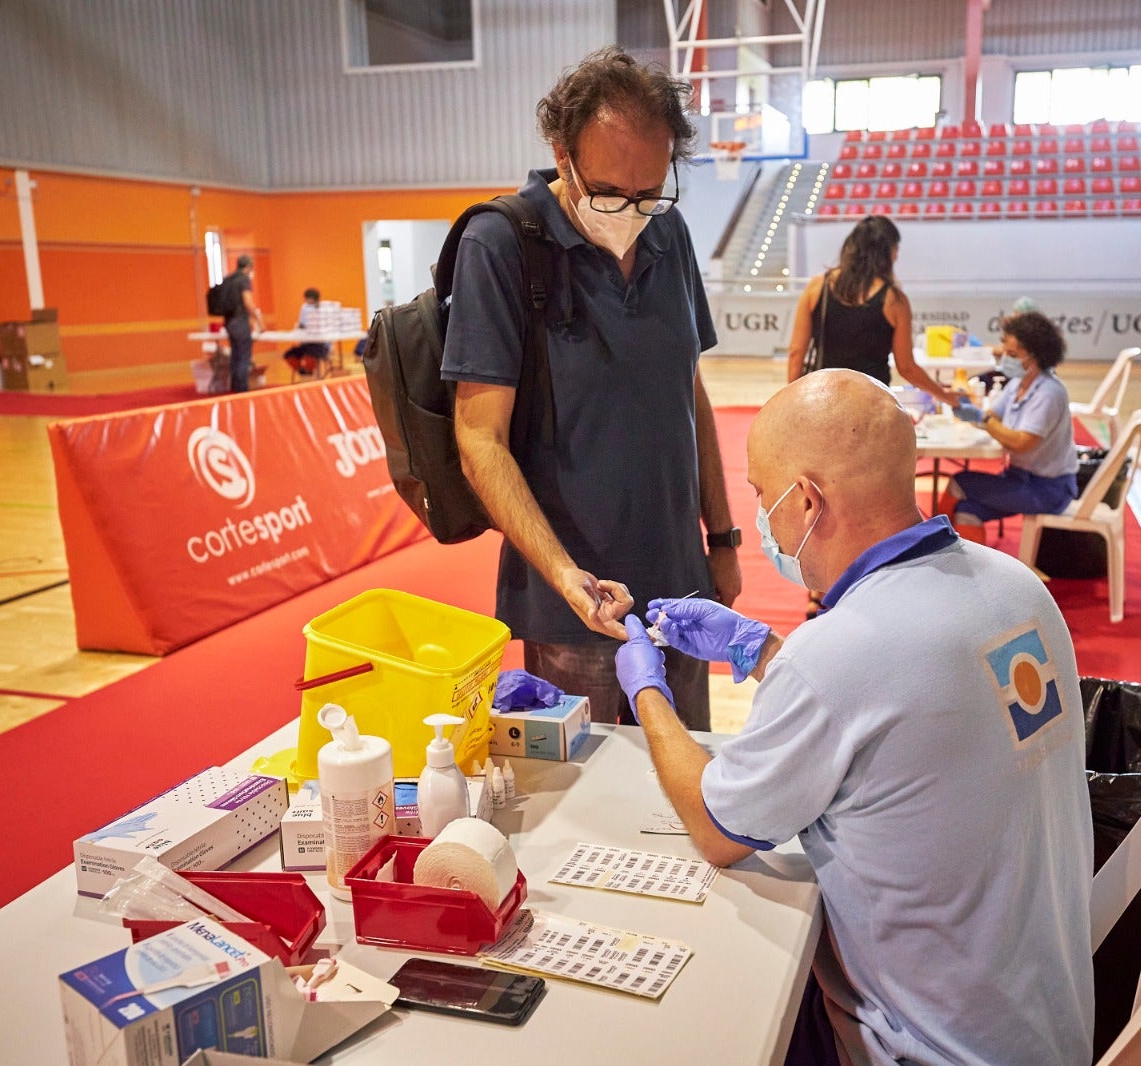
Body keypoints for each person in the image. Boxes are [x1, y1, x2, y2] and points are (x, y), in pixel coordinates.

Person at [614, 369, 1094, 1066]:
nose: (761, 522)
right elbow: (907, 713)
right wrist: (761, 649)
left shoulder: (836, 656)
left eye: (760, 497)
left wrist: (648, 693)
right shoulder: (1014, 588)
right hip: (1043, 1025)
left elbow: (717, 829)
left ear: (805, 501)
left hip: (921, 1047)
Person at [442, 48, 740, 730]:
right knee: (591, 809)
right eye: (609, 193)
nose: (631, 212)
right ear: (562, 152)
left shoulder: (669, 231)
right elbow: (479, 439)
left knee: (683, 796)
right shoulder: (501, 245)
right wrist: (563, 575)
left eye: (650, 192)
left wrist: (720, 538)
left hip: (682, 593)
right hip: (579, 607)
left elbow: (687, 393)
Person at [785, 215, 959, 406]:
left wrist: (794, 402)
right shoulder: (894, 300)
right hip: (872, 402)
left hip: (823, 398)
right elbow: (907, 367)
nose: (897, 256)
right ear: (887, 252)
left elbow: (796, 352)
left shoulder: (817, 286)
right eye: (896, 249)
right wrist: (944, 395)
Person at [937, 310, 1077, 544]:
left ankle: (931, 547)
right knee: (967, 509)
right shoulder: (1018, 384)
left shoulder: (1049, 393)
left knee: (959, 482)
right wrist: (964, 406)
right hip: (1020, 478)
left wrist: (982, 419)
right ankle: (965, 571)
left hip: (1048, 489)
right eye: (1005, 352)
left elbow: (1021, 443)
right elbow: (993, 416)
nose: (1006, 360)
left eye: (1012, 354)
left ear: (1035, 357)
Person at [223, 255, 265, 392]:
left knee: (235, 355)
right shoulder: (243, 279)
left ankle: (234, 387)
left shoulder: (228, 280)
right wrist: (259, 320)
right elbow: (247, 302)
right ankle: (242, 390)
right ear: (248, 267)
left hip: (229, 321)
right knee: (243, 356)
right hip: (240, 321)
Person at [285, 287, 331, 377]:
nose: (306, 300)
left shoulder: (324, 309)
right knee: (289, 355)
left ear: (313, 298)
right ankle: (303, 372)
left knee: (310, 354)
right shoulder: (304, 307)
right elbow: (301, 323)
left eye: (307, 298)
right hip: (307, 342)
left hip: (320, 344)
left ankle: (309, 372)